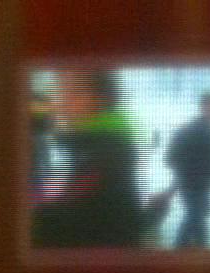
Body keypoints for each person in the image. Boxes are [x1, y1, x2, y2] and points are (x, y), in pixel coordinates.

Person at [31, 70, 144, 248]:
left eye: (74, 92)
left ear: (101, 99)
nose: (62, 102)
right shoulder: (90, 142)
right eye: (61, 91)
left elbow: (69, 216)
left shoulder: (107, 150)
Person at [167, 92, 210, 247]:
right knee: (196, 216)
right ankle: (186, 248)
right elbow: (173, 157)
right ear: (204, 106)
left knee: (198, 216)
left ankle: (193, 247)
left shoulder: (207, 128)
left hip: (199, 184)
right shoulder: (198, 129)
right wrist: (188, 176)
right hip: (195, 184)